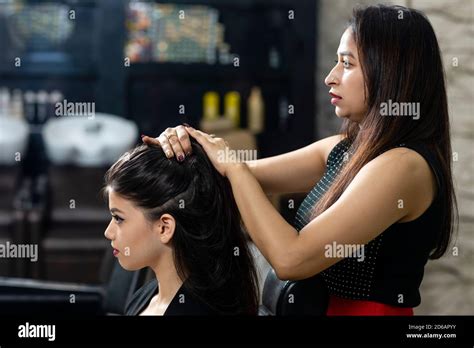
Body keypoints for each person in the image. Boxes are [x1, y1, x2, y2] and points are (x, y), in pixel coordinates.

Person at [143, 4, 458, 315]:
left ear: (390, 72)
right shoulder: (345, 149)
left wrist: (233, 166)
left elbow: (291, 259)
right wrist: (183, 142)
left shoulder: (404, 166)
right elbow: (222, 173)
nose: (330, 78)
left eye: (347, 64)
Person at [103, 140, 259, 315]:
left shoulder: (195, 310)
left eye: (118, 218)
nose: (108, 232)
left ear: (164, 228)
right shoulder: (144, 296)